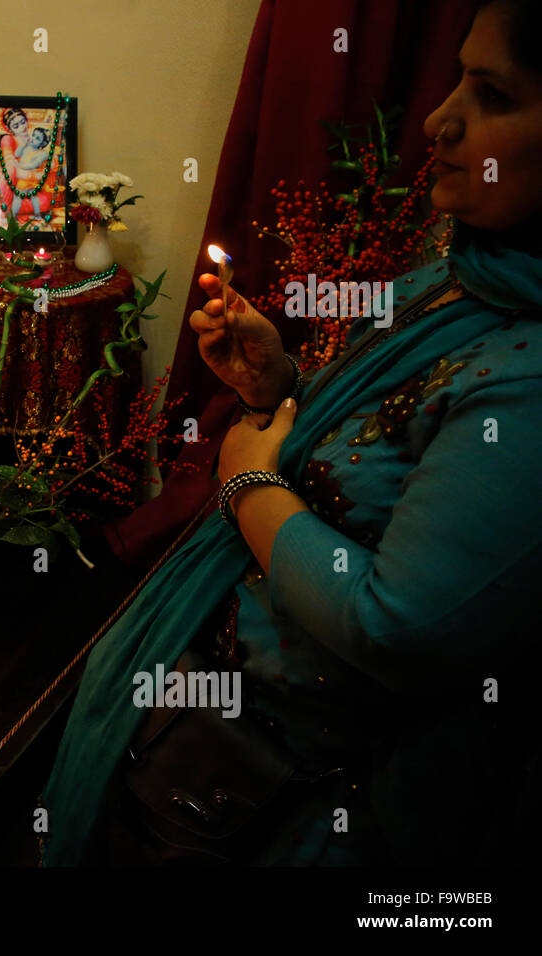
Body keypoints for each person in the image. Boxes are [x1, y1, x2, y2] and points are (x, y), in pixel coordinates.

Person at [42, 0, 542, 865]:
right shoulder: (460, 273)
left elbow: (393, 624)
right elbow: (382, 460)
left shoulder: (528, 382)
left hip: (290, 803)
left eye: (492, 94)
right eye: (457, 75)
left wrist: (247, 486)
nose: (440, 117)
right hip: (204, 736)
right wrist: (282, 382)